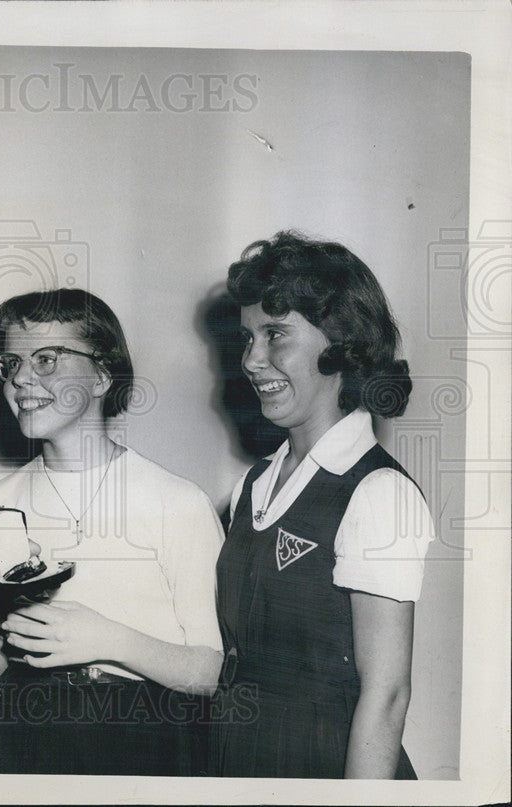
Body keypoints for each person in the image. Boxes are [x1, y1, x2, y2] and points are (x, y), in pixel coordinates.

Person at [0, 288, 224, 776]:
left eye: (46, 359)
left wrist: (108, 640)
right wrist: (8, 635)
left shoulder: (177, 503)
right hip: (21, 745)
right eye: (11, 363)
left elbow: (214, 674)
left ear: (103, 374)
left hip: (147, 745)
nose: (21, 378)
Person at [212, 231, 435, 778]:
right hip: (239, 756)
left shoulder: (380, 494)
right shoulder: (251, 485)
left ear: (341, 343)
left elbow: (386, 696)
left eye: (276, 335)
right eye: (247, 338)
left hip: (325, 767)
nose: (251, 359)